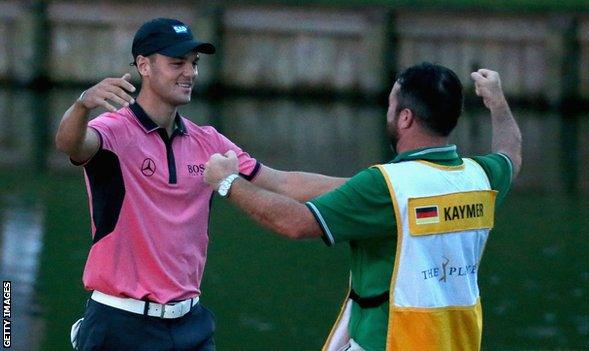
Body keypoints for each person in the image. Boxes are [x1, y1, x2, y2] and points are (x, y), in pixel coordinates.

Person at [55, 18, 344, 351]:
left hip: (190, 324)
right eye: (177, 63)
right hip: (121, 324)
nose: (190, 72)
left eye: (194, 64)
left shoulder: (207, 141)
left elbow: (282, 183)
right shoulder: (114, 131)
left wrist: (376, 182)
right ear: (144, 66)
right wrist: (81, 105)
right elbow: (70, 144)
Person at [202, 62, 522, 351]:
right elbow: (511, 153)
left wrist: (228, 184)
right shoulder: (480, 177)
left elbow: (296, 223)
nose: (389, 113)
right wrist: (497, 101)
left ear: (405, 117)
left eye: (391, 105)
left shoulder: (385, 185)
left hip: (391, 340)